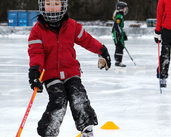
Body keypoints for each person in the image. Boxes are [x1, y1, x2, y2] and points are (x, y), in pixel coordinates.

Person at [28, 0, 111, 137]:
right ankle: (48, 131)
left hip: (71, 71)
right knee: (58, 99)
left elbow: (87, 40)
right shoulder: (37, 30)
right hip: (51, 74)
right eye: (48, 4)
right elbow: (36, 53)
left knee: (78, 95)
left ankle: (87, 129)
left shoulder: (72, 25)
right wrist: (35, 71)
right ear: (42, 6)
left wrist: (102, 50)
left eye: (56, 4)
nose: (52, 8)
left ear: (63, 5)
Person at [112, 1, 128, 67]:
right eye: (124, 8)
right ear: (121, 8)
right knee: (119, 46)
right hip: (117, 34)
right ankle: (118, 61)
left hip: (119, 34)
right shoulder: (119, 16)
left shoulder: (120, 16)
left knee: (120, 46)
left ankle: (118, 60)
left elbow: (120, 27)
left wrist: (123, 34)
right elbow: (117, 26)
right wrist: (120, 34)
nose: (126, 10)